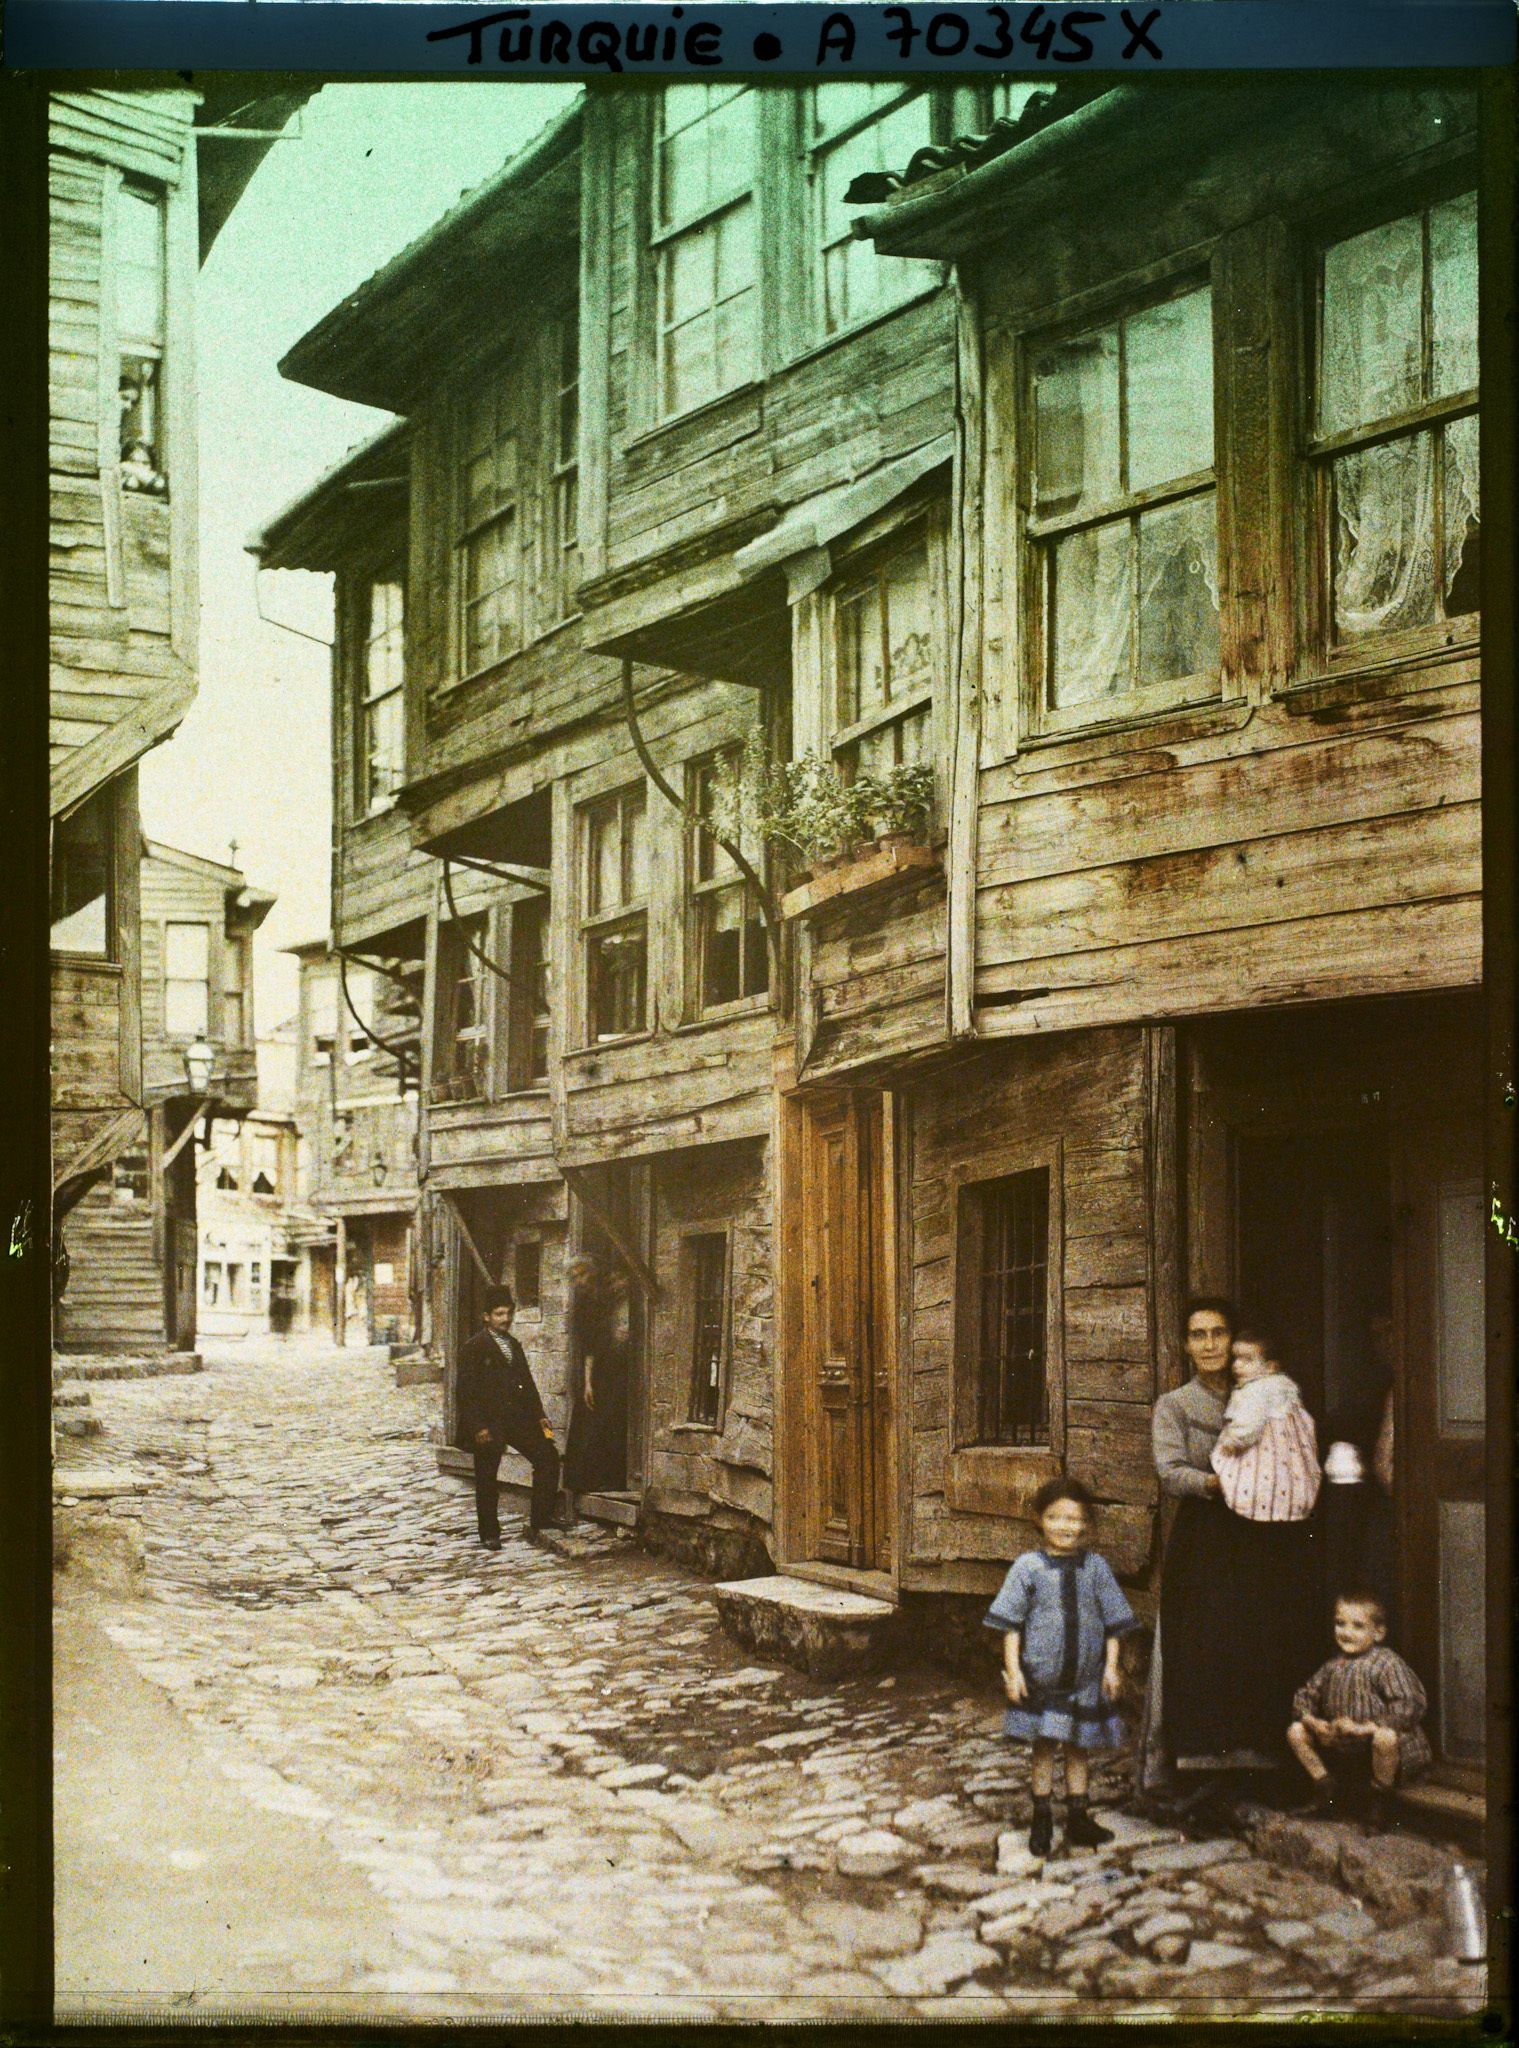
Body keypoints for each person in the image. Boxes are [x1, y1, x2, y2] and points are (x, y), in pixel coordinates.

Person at [984, 1477, 1138, 1858]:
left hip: (1085, 1681)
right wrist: (1014, 1671)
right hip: (1042, 1681)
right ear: (1039, 1520)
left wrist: (1111, 1668)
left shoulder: (1096, 1569)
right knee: (1043, 1747)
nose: (1065, 1526)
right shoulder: (1028, 1568)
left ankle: (1079, 1817)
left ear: (1086, 1524)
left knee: (1078, 1748)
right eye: (1055, 1517)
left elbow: (1114, 1622)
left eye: (1074, 1519)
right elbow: (1011, 1626)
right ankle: (1041, 1816)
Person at [1139, 1296, 1241, 1802]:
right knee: (1198, 1642)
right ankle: (1197, 1765)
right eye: (1198, 1335)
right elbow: (1170, 1470)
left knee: (1245, 1639)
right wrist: (1223, 1484)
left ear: (1232, 1338)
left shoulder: (1255, 1395)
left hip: (1253, 1535)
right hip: (1204, 1534)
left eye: (1218, 1333)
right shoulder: (1175, 1405)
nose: (1209, 1345)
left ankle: (1248, 1762)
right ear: (1186, 1344)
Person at [1288, 1592, 1430, 1828]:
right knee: (1296, 1730)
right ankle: (1325, 1787)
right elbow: (1304, 1695)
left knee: (1386, 1738)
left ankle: (1380, 1802)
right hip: (1348, 1744)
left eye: (1357, 1626)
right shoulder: (1333, 1666)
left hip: (1384, 1744)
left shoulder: (1386, 1662)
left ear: (1378, 1632)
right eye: (1340, 1623)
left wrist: (1366, 1727)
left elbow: (1411, 1703)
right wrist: (1313, 1722)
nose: (1346, 1632)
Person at [455, 1284, 561, 1549]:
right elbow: (465, 1392)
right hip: (488, 1424)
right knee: (487, 1476)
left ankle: (540, 1519)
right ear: (486, 1316)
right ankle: (490, 1533)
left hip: (516, 1420)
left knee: (547, 1457)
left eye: (508, 1313)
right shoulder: (474, 1347)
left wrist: (539, 1415)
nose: (505, 1319)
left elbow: (526, 1382)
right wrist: (477, 1426)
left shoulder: (513, 1344)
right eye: (499, 1314)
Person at [1211, 1326, 1322, 1523]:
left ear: (1271, 1367)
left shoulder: (1257, 1390)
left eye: (1247, 1360)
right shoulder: (1285, 1385)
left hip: (1264, 1457)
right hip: (1290, 1461)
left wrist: (1230, 1440)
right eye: (1236, 1358)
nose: (1237, 1366)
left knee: (1252, 1478)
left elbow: (1247, 1427)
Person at [563, 1255, 627, 1495]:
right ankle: (581, 1480)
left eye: (583, 1274)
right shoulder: (582, 1305)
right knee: (590, 1417)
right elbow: (589, 1346)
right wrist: (587, 1382)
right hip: (597, 1366)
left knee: (612, 1419)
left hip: (617, 1363)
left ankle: (610, 1478)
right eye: (575, 1277)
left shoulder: (607, 1294)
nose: (581, 1280)